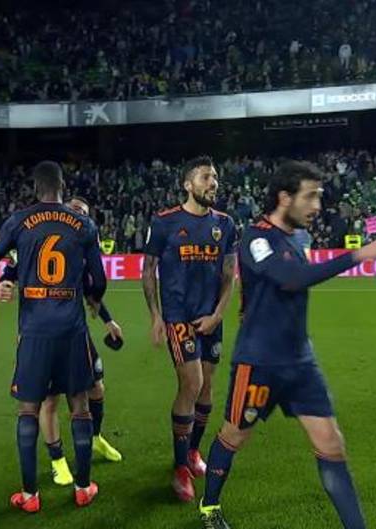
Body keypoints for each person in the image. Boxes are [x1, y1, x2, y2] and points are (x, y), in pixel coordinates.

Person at [198, 161, 376, 529]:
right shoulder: (255, 238)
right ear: (285, 197)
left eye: (319, 197)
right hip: (259, 362)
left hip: (300, 361)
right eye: (310, 197)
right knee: (234, 434)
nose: (316, 207)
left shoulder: (298, 238)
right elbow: (291, 279)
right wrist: (364, 254)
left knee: (331, 444)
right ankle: (210, 505)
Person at [0, 161, 107, 512]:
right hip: (72, 329)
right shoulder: (83, 223)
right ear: (61, 186)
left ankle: (29, 496)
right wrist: (89, 296)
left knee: (30, 408)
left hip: (34, 330)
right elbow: (98, 281)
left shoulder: (20, 220)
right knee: (79, 407)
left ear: (35, 187)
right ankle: (84, 487)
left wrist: (1, 283)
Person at [142, 155, 237, 502]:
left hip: (210, 318)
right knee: (192, 383)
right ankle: (180, 468)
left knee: (208, 387)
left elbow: (230, 276)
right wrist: (156, 317)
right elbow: (147, 270)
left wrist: (217, 315)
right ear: (187, 184)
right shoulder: (165, 222)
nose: (212, 183)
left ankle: (193, 452)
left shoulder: (225, 224)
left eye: (215, 177)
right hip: (178, 317)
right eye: (205, 177)